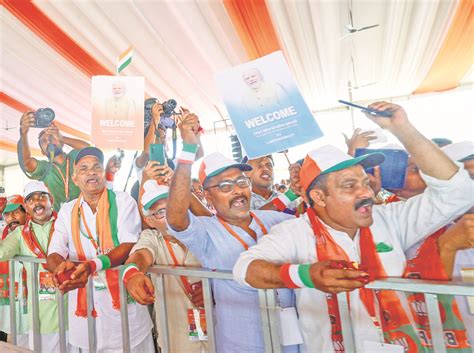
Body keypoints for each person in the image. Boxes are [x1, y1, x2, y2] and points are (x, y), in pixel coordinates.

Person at [233, 102, 473, 353]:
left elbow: (457, 192)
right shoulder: (295, 233)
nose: (366, 193)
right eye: (349, 185)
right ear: (320, 197)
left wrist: (402, 128)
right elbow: (244, 269)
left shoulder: (390, 218)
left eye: (366, 183)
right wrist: (305, 276)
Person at [166, 113, 299, 352]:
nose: (238, 191)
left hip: (289, 341)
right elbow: (176, 219)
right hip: (242, 343)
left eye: (241, 182)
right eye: (225, 186)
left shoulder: (274, 220)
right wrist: (187, 152)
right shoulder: (207, 231)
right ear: (208, 195)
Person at [46, 146, 154, 352]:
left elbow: (128, 245)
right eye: (84, 168)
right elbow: (53, 253)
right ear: (75, 178)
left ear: (104, 173)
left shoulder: (123, 201)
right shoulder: (67, 210)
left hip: (124, 310)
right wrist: (61, 269)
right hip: (85, 313)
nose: (91, 172)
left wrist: (91, 266)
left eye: (97, 167)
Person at [124, 180, 208, 353]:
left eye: (173, 207)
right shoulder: (152, 237)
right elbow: (140, 255)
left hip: (220, 335)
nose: (170, 216)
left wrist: (215, 289)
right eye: (161, 213)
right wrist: (132, 274)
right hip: (176, 340)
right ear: (150, 221)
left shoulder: (204, 231)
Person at [0, 182, 69, 352]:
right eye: (31, 200)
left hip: (73, 309)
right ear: (27, 207)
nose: (37, 203)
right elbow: (2, 253)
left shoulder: (66, 225)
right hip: (41, 315)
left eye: (41, 197)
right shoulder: (20, 233)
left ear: (51, 200)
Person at [18, 112, 90, 211]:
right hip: (61, 218)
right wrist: (23, 133)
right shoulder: (44, 168)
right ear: (42, 152)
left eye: (51, 138)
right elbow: (26, 162)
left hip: (86, 212)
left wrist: (62, 138)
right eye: (44, 141)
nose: (48, 142)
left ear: (62, 143)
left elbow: (88, 149)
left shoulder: (74, 156)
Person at [0, 195, 29, 347]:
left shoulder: (33, 232)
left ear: (27, 212)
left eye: (16, 212)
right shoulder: (3, 236)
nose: (11, 218)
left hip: (35, 302)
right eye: (6, 213)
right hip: (10, 300)